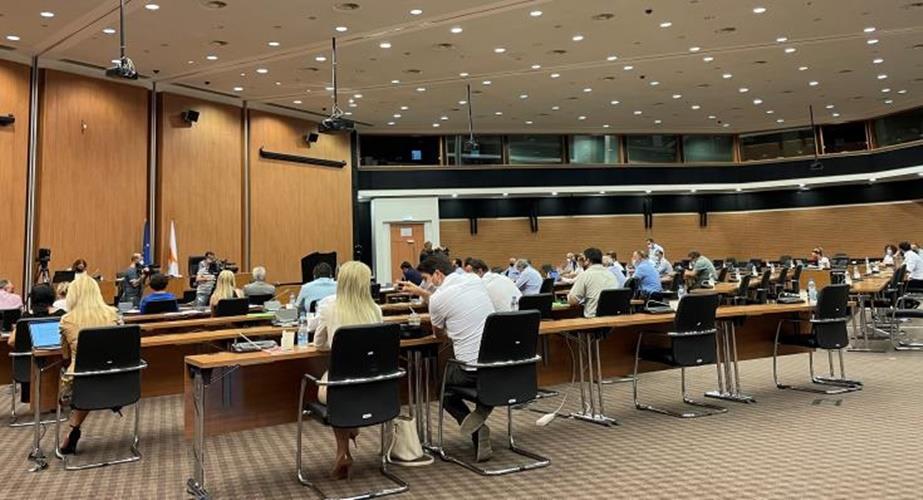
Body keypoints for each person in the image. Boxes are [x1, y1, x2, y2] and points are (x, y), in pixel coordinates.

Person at [419, 254, 495, 462]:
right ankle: (484, 408)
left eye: (426, 279)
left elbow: (438, 335)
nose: (427, 284)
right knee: (480, 378)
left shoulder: (437, 298)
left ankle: (477, 428)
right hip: (499, 366)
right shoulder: (475, 280)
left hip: (471, 371)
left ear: (437, 274)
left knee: (442, 389)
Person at [312, 261, 383, 480]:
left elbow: (319, 344)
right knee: (346, 392)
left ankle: (342, 452)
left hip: (341, 387)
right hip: (374, 387)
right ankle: (350, 431)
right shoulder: (376, 310)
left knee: (337, 389)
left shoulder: (329, 308)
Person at [57, 275, 121, 455]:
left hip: (81, 381)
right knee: (93, 379)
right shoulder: (114, 314)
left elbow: (65, 355)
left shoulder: (67, 320)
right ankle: (73, 429)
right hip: (116, 377)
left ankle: (72, 431)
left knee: (83, 380)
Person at [568, 248, 618, 318]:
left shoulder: (585, 275)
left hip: (593, 319)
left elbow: (573, 300)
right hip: (613, 318)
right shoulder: (611, 274)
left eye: (583, 259)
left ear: (588, 261)